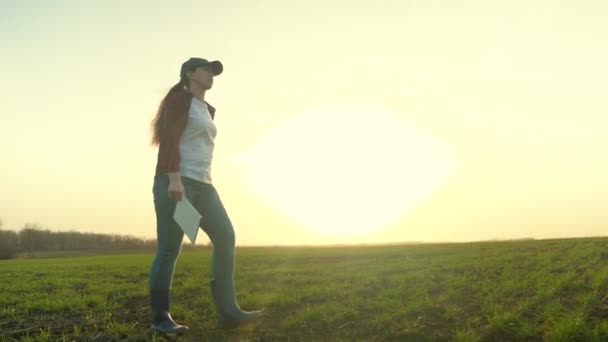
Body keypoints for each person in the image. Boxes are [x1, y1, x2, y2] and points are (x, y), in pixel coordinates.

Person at [148, 57, 262, 335]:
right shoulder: (179, 100)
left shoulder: (206, 109)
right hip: (176, 183)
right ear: (190, 73)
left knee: (225, 237)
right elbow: (169, 140)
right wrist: (174, 178)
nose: (211, 75)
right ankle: (161, 318)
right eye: (206, 70)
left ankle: (228, 312)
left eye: (214, 72)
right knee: (169, 249)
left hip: (204, 186)